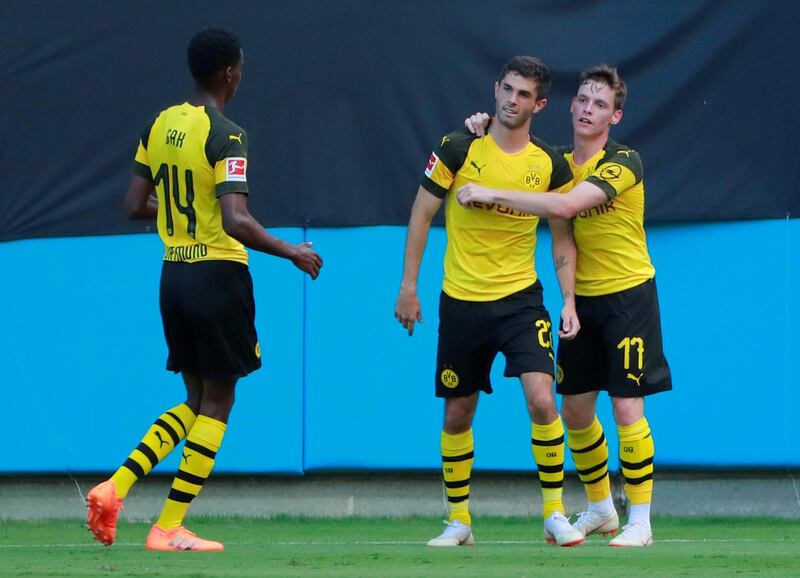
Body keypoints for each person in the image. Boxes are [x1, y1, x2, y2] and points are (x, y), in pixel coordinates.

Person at [85, 27, 322, 551]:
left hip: (174, 275)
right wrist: (293, 252)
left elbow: (132, 204)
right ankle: (168, 527)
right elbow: (236, 220)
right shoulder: (227, 134)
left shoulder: (159, 124)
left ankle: (114, 486)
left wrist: (176, 212)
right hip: (217, 277)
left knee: (195, 398)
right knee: (219, 401)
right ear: (230, 73)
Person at [458, 64, 672, 547]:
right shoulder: (554, 163)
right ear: (570, 106)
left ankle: (640, 519)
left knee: (626, 406)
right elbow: (510, 148)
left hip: (628, 296)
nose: (588, 110)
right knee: (574, 412)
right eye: (583, 100)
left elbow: (564, 208)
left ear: (614, 116)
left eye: (600, 105)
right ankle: (600, 508)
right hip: (583, 303)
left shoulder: (623, 161)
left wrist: (490, 191)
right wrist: (483, 126)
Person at [395, 56, 586, 548]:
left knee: (544, 400)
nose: (511, 100)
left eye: (524, 94)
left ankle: (554, 513)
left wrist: (569, 299)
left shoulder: (549, 163)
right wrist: (408, 287)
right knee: (458, 413)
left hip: (522, 300)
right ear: (495, 87)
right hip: (461, 301)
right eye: (507, 89)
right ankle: (458, 521)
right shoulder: (458, 146)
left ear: (539, 104)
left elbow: (562, 235)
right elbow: (420, 214)